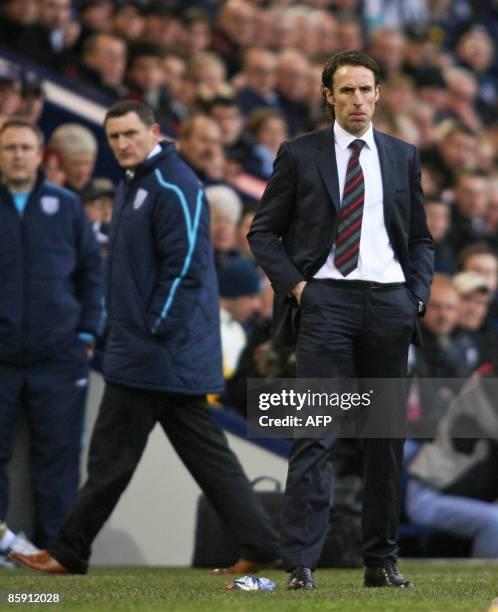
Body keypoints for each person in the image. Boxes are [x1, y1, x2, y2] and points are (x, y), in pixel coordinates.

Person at [11, 100, 279, 575]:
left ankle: (69, 550)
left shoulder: (173, 184)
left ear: (154, 131)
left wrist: (149, 329)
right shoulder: (138, 183)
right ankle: (260, 542)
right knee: (205, 458)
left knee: (110, 459)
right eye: (114, 137)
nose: (122, 144)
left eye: (130, 134)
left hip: (156, 351)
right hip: (156, 352)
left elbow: (186, 270)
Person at [248, 51, 434, 590]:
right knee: (316, 432)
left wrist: (415, 296)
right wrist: (302, 289)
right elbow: (262, 232)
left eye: (366, 90)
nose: (357, 100)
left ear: (379, 94)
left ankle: (380, 561)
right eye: (347, 90)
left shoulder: (403, 156)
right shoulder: (299, 154)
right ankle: (301, 563)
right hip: (326, 301)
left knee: (386, 439)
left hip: (389, 304)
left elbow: (420, 237)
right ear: (328, 94)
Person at [0, 117, 102, 550]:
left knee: (58, 459)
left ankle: (56, 552)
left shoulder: (65, 205)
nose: (18, 155)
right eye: (9, 148)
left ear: (41, 154)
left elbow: (91, 272)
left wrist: (86, 333)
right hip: (1, 357)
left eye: (25, 147)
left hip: (59, 355)